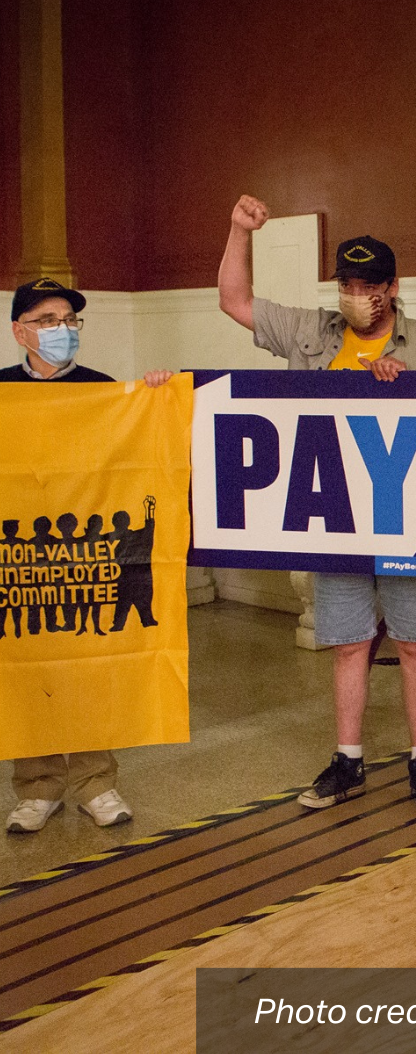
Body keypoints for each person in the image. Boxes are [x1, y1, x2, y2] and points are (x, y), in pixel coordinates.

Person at [218, 195, 416, 813]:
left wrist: (409, 387)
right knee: (349, 642)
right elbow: (234, 302)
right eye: (348, 285)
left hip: (405, 517)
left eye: (369, 286)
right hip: (334, 517)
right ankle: (347, 759)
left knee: (415, 640)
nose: (358, 296)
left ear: (393, 286)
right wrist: (240, 231)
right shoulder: (310, 331)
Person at [3, 277, 173, 834]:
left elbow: (137, 458)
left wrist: (153, 396)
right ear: (19, 330)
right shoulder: (1, 391)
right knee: (30, 668)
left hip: (89, 559)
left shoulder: (105, 391)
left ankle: (97, 783)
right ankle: (36, 787)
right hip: (23, 561)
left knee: (92, 662)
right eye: (50, 320)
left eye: (71, 321)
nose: (64, 330)